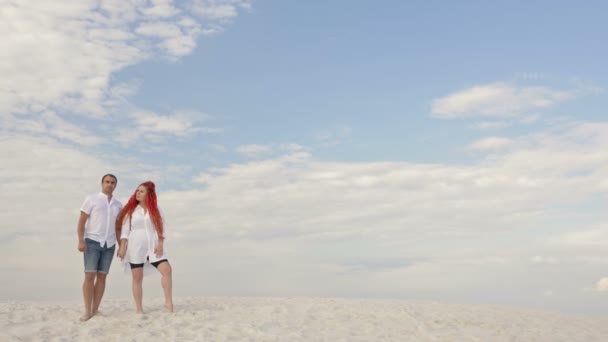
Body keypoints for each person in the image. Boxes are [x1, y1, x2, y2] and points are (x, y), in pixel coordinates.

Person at [116, 181, 173, 313]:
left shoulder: (156, 209)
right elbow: (125, 230)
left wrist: (160, 244)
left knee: (167, 270)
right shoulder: (131, 210)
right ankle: (139, 309)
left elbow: (161, 228)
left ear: (149, 194)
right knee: (137, 277)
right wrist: (122, 246)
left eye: (142, 191)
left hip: (153, 245)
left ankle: (168, 301)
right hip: (136, 245)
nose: (138, 193)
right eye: (137, 190)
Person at [77, 174, 123, 321]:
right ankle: (87, 310)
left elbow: (117, 228)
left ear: (115, 185)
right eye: (107, 182)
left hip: (109, 244)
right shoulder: (92, 199)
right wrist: (80, 241)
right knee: (89, 276)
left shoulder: (118, 205)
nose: (110, 184)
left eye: (113, 182)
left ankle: (95, 309)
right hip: (92, 241)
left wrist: (121, 245)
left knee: (102, 277)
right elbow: (81, 221)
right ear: (102, 183)